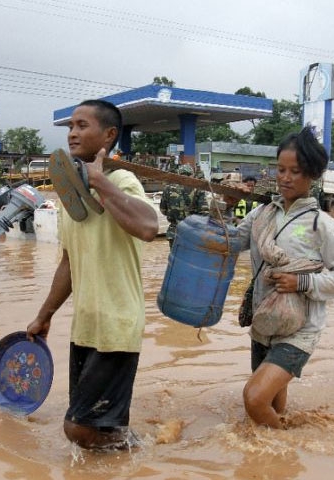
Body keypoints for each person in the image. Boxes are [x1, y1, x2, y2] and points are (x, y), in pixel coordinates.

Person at [26, 99, 159, 450]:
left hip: (117, 325)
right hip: (85, 327)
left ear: (109, 135)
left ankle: (142, 453)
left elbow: (148, 227)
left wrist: (101, 181)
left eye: (82, 126)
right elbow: (69, 263)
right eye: (71, 126)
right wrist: (44, 316)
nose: (72, 133)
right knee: (95, 425)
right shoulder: (71, 199)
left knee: (78, 428)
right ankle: (136, 454)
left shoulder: (123, 181)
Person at [232, 127, 334, 429]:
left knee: (254, 398)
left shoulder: (321, 224)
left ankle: (287, 449)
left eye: (295, 172)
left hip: (300, 330)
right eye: (281, 170)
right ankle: (275, 464)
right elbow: (232, 243)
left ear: (312, 175)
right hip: (264, 323)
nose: (285, 178)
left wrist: (302, 283)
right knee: (273, 402)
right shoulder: (262, 214)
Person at [159, 164, 209, 248]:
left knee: (175, 259)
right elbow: (204, 213)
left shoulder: (168, 188)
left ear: (179, 174)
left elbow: (163, 210)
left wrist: (174, 214)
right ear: (192, 174)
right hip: (193, 232)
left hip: (174, 231)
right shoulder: (198, 189)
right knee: (190, 259)